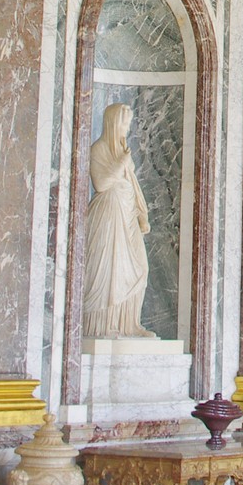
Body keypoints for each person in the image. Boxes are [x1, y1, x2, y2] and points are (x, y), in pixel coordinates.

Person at [84, 103, 155, 338]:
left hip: (128, 214)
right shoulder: (99, 149)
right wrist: (122, 162)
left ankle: (130, 324)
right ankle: (106, 325)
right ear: (113, 122)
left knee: (140, 268)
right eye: (124, 123)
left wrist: (141, 212)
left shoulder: (123, 150)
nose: (127, 128)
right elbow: (101, 184)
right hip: (109, 214)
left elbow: (132, 185)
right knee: (112, 270)